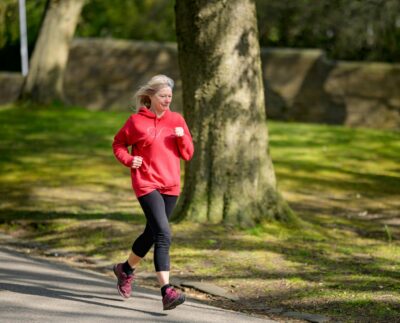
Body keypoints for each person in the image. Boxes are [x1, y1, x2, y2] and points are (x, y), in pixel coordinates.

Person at [112, 75, 194, 310]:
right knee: (163, 234)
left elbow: (188, 154)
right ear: (150, 97)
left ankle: (125, 269)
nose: (167, 100)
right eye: (163, 96)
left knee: (152, 233)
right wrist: (129, 159)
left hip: (171, 185)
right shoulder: (136, 122)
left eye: (170, 96)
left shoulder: (177, 120)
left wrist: (182, 137)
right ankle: (167, 291)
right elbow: (118, 143)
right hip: (146, 183)